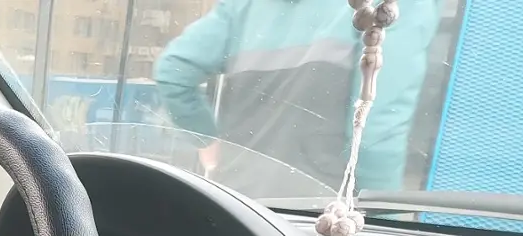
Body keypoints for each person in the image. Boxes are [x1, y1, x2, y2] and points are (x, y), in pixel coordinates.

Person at [154, 0, 438, 198]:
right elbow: (376, 124)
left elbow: (173, 71)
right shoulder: (391, 6)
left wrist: (205, 138)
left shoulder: (243, 6)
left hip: (240, 206)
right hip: (320, 215)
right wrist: (383, 219)